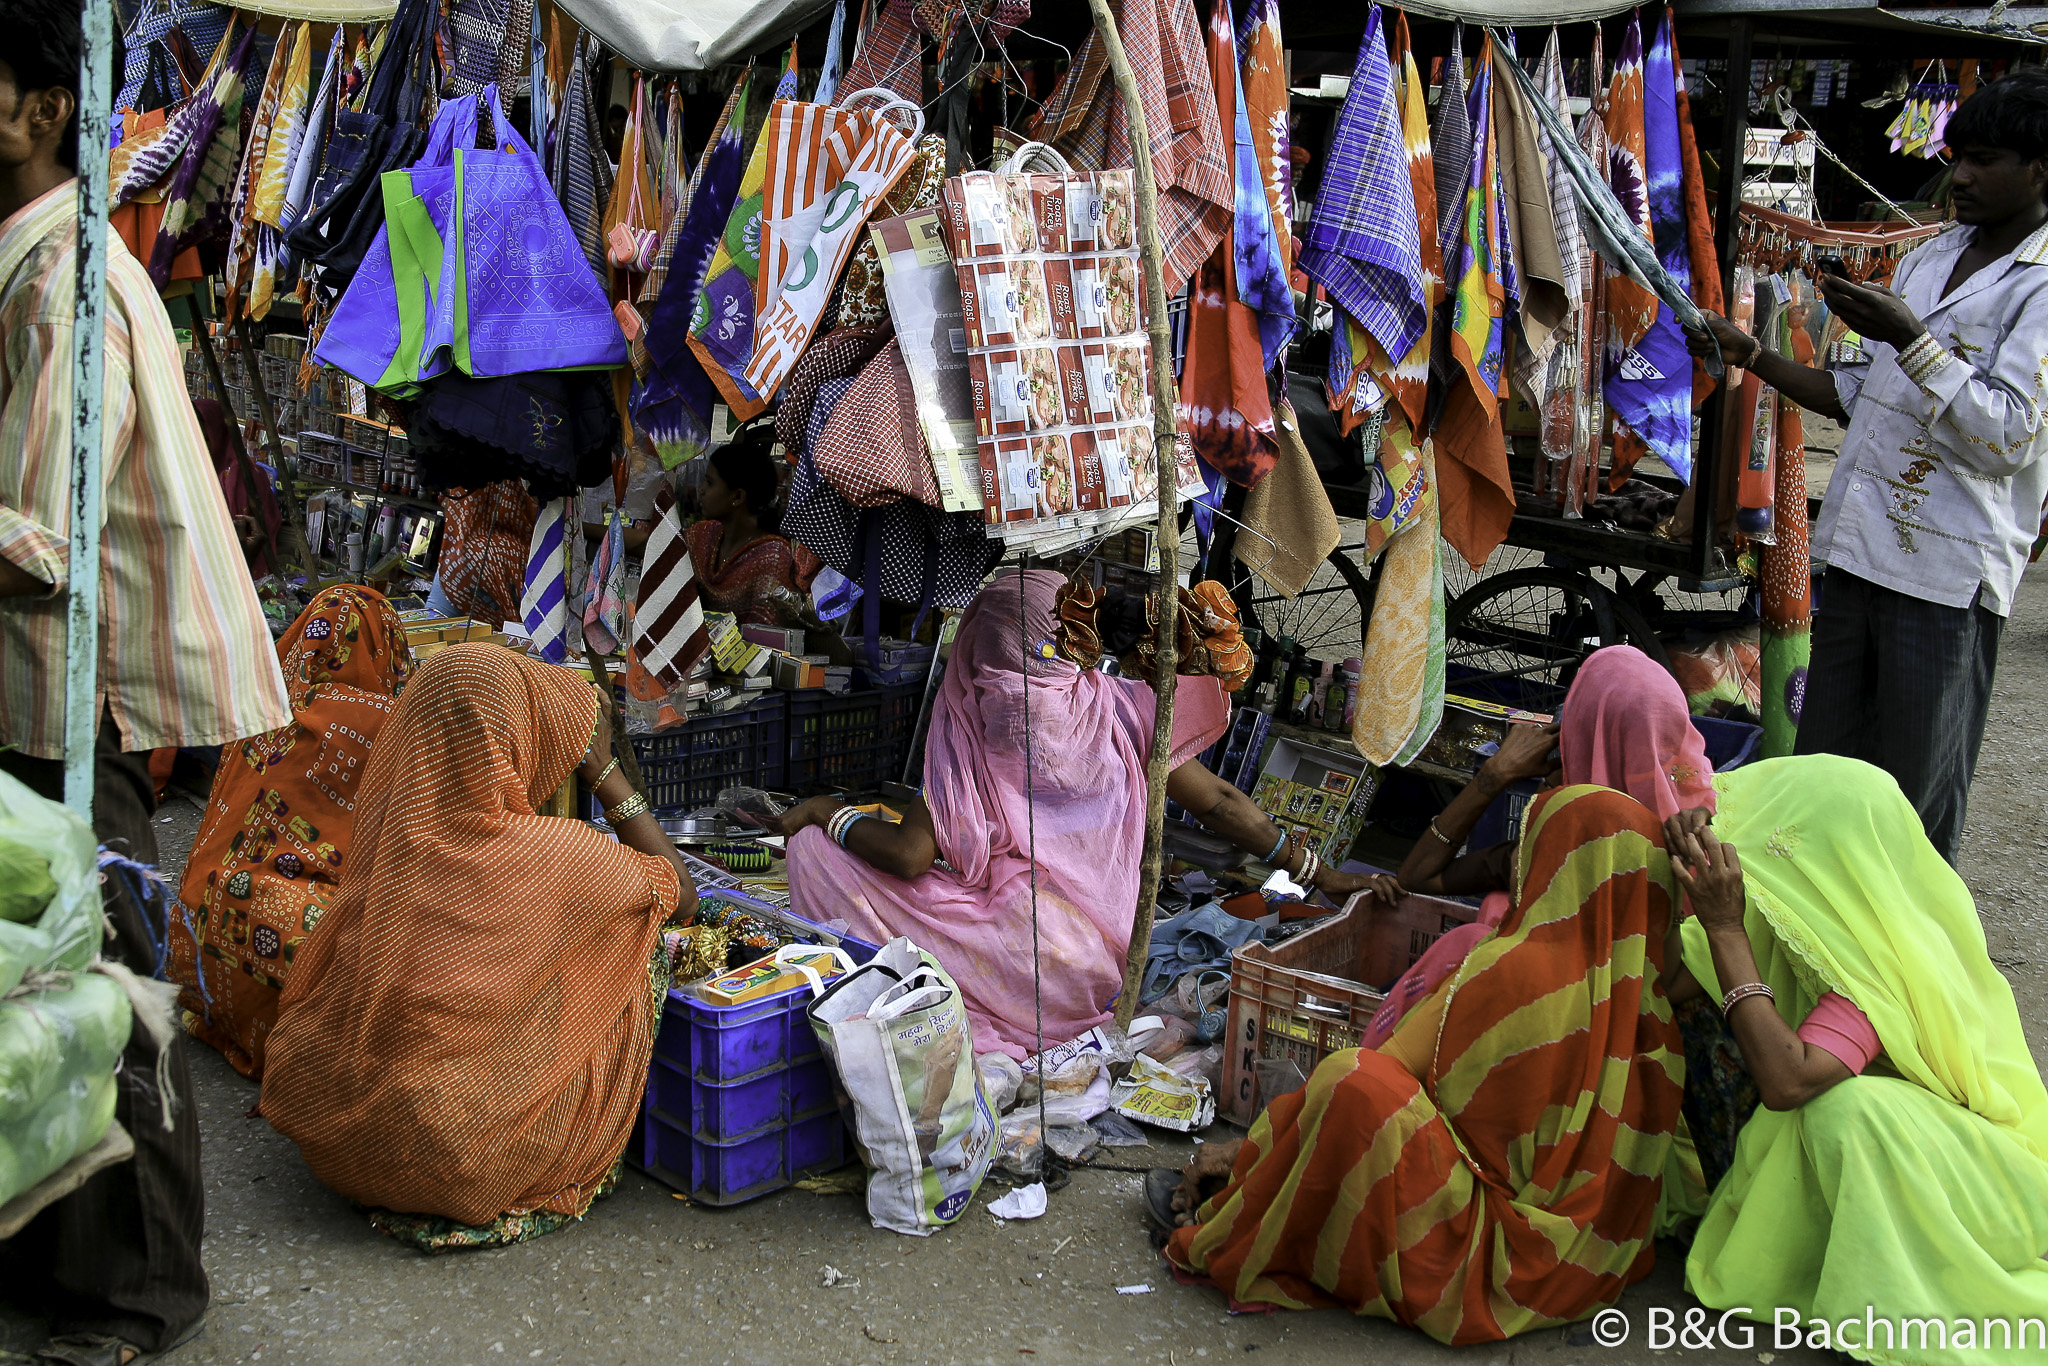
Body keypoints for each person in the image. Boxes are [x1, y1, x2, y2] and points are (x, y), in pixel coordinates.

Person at [0, 4, 291, 1360]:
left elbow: (38, 543)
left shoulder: (67, 282)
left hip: (73, 708)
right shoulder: (33, 266)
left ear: (36, 109)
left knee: (102, 997)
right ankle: (61, 1257)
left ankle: (135, 1294)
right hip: (30, 696)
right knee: (40, 991)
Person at [778, 570, 1390, 1059]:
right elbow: (1224, 804)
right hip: (1093, 970)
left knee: (811, 850)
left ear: (977, 656)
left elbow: (908, 857)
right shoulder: (1120, 712)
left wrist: (829, 811)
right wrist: (1317, 870)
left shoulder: (981, 729)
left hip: (1014, 962)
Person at [1153, 782, 1685, 1340]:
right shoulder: (1656, 1015)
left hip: (1482, 1257)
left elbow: (1399, 1082)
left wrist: (1250, 1151)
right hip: (1586, 1267)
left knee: (1351, 1082)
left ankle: (1242, 1210)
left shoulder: (1515, 969)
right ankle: (1250, 1182)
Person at [1686, 71, 2048, 865]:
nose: (1960, 177)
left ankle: (1894, 977)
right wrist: (1757, 357)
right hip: (1855, 554)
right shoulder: (1933, 254)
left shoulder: (2040, 286)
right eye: (1958, 157)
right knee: (1823, 775)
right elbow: (1859, 391)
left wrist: (1912, 338)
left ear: (2038, 171)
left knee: (1911, 801)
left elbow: (2008, 438)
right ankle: (1803, 951)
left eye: (1984, 160)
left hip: (1946, 574)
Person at [259, 645, 697, 1252]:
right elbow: (679, 892)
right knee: (637, 933)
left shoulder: (393, 839)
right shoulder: (551, 856)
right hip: (460, 1154)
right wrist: (603, 773)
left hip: (337, 1134)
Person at [1664, 756, 2048, 1354]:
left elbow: (1787, 1082)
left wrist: (1726, 929)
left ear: (1831, 869)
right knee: (1695, 1021)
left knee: (1840, 1109)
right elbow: (1667, 982)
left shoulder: (1882, 969)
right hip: (1927, 1161)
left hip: (1987, 1194)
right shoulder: (1810, 921)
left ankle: (1881, 1286)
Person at [1362, 644, 1714, 1047]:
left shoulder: (1566, 848)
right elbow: (1417, 877)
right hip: (1627, 1054)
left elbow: (1418, 875)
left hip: (1579, 1044)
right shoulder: (1707, 822)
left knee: (1476, 936)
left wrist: (1494, 775)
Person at [168, 586, 414, 1081]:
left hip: (199, 920)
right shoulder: (377, 724)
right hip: (279, 930)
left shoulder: (265, 701)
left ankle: (216, 1002)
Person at [686, 427, 823, 630]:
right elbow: (657, 546)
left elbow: (764, 633)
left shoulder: (772, 558)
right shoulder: (705, 534)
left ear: (738, 497)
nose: (701, 489)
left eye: (710, 482)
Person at [425, 479, 538, 623]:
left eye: (451, 495)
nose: (444, 502)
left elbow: (429, 624)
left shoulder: (463, 557)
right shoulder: (535, 555)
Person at [193, 397, 281, 578]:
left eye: (206, 440)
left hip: (241, 571)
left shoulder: (237, 474)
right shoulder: (205, 470)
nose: (198, 447)